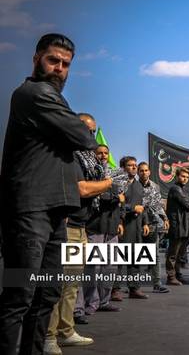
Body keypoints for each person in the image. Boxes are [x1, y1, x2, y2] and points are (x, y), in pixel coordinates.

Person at [0, 33, 99, 355]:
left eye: (65, 64)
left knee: (47, 294)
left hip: (54, 211)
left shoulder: (53, 100)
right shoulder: (35, 93)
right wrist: (75, 131)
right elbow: (83, 136)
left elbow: (78, 136)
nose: (59, 68)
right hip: (30, 210)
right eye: (53, 60)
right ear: (36, 59)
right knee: (20, 295)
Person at [45, 113, 111, 354]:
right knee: (57, 285)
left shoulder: (88, 160)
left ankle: (66, 331)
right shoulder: (68, 156)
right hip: (67, 227)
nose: (90, 135)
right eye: (86, 129)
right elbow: (82, 189)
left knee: (72, 285)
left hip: (80, 227)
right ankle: (48, 336)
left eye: (93, 131)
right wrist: (107, 184)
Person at [76, 144, 123, 317]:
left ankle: (104, 301)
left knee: (110, 267)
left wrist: (120, 219)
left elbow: (121, 197)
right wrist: (114, 195)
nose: (103, 156)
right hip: (95, 226)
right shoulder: (90, 172)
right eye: (100, 153)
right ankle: (90, 303)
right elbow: (98, 195)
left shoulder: (116, 174)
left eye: (106, 153)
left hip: (112, 227)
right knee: (92, 268)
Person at [114, 157, 150, 299]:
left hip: (136, 226)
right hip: (122, 225)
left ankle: (134, 288)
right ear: (123, 168)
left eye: (135, 165)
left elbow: (143, 205)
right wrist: (132, 208)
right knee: (119, 260)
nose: (134, 167)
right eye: (130, 165)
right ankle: (114, 290)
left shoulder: (139, 185)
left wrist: (145, 223)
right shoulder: (117, 183)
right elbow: (116, 203)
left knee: (135, 259)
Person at [138, 162, 170, 293]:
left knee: (154, 254)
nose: (144, 173)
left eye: (146, 170)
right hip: (137, 224)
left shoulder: (155, 186)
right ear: (138, 172)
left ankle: (157, 283)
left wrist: (165, 218)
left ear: (149, 172)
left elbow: (158, 204)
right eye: (141, 170)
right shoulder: (133, 186)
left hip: (152, 224)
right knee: (136, 255)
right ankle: (134, 286)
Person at [165, 168, 189, 285]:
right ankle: (171, 277)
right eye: (183, 176)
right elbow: (186, 204)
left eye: (187, 177)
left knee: (180, 254)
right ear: (177, 176)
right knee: (173, 254)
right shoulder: (175, 189)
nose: (185, 179)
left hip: (184, 226)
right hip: (177, 225)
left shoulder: (182, 190)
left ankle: (177, 275)